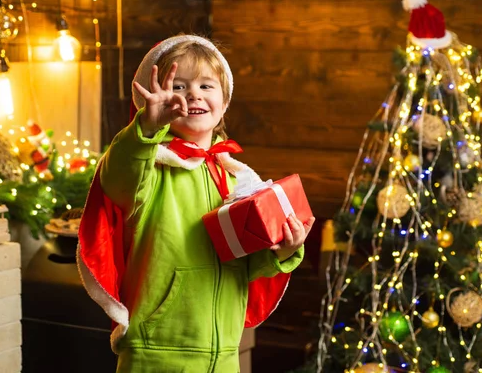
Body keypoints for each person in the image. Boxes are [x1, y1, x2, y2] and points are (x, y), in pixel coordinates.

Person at [77, 34, 316, 372]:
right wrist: (146, 127)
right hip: (156, 355)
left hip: (224, 357)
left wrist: (283, 250)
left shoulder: (237, 179)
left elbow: (246, 266)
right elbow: (119, 173)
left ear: (225, 100)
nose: (193, 94)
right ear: (153, 100)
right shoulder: (148, 169)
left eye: (207, 86)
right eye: (179, 86)